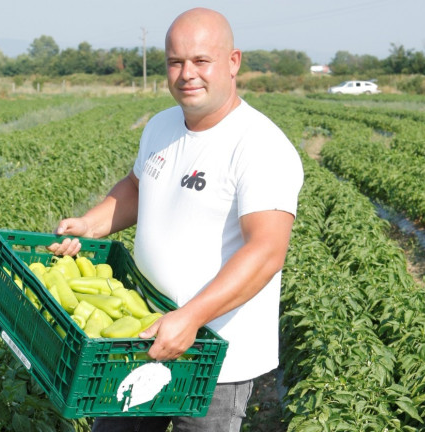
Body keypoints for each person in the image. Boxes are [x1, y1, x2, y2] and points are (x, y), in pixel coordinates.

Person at [48, 7, 303, 432]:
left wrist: (192, 316)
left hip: (215, 355)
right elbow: (135, 186)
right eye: (175, 62)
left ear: (233, 62)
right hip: (140, 333)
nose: (187, 74)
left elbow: (266, 251)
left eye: (201, 61)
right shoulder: (162, 126)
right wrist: (90, 224)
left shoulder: (260, 146)